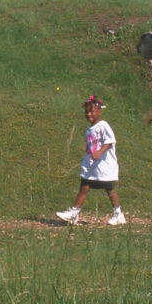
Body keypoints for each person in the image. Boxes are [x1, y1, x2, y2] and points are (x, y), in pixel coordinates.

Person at [55, 96, 126, 226]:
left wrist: (99, 152)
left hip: (104, 165)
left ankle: (118, 214)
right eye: (86, 112)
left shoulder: (103, 125)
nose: (89, 114)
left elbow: (110, 142)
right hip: (92, 165)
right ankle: (74, 213)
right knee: (84, 186)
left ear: (99, 112)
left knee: (109, 188)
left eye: (92, 111)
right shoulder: (89, 129)